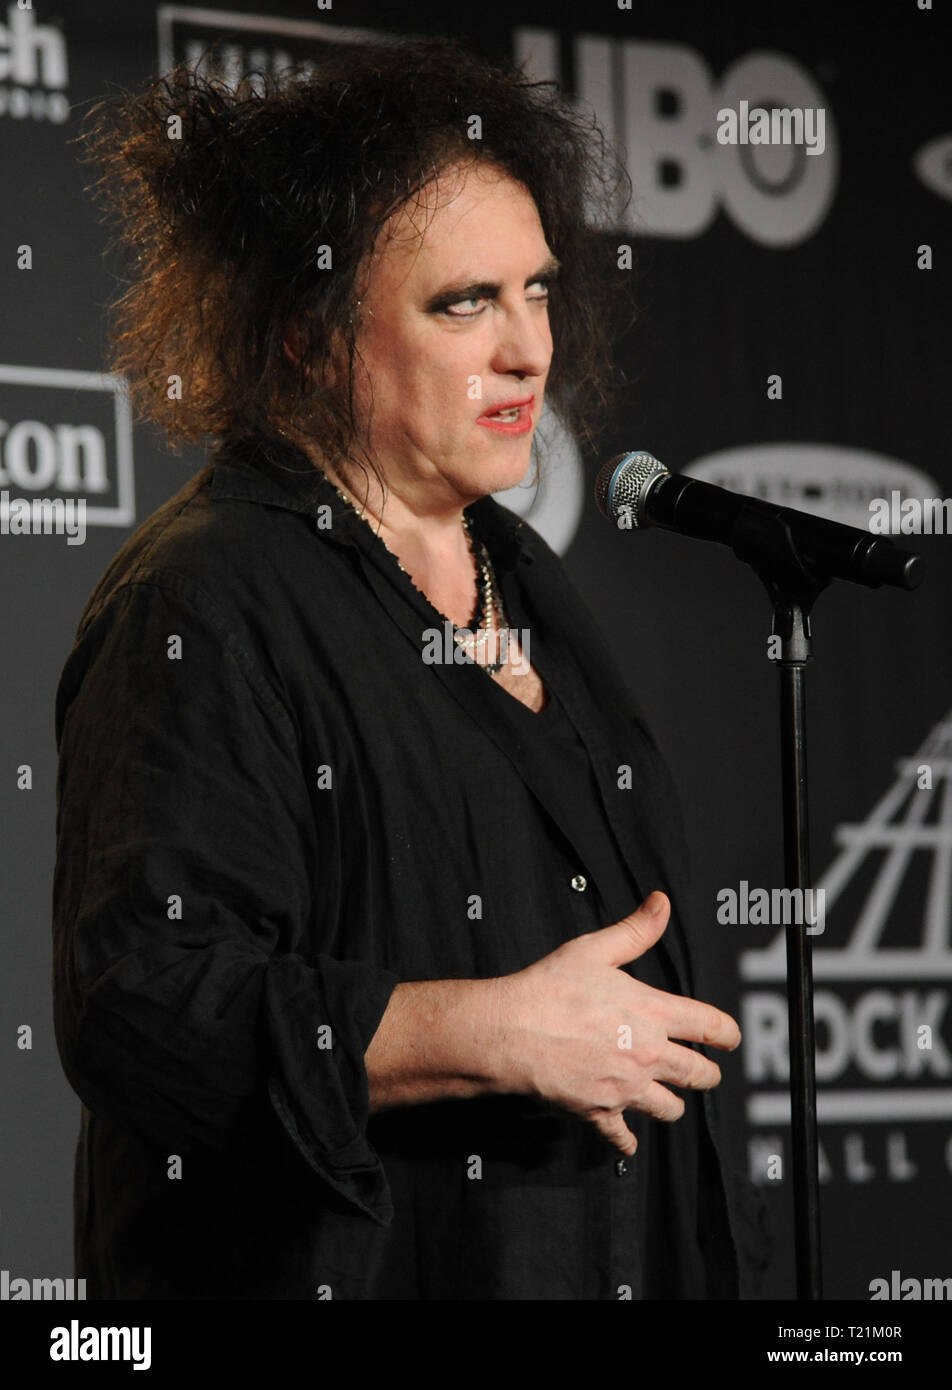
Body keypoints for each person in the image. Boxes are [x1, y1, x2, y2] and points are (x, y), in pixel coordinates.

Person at [52, 35, 770, 1299]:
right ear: (311, 335)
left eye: (538, 292)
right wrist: (484, 1034)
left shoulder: (521, 571)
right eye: (463, 303)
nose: (527, 351)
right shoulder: (207, 598)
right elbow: (149, 1002)